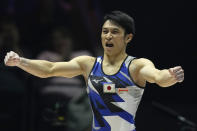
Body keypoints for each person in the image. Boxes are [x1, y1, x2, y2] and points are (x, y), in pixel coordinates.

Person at [4, 11, 184, 131]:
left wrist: (171, 76)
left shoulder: (137, 66)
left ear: (128, 37)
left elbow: (158, 77)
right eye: (105, 31)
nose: (108, 36)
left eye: (114, 32)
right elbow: (50, 69)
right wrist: (21, 61)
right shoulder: (88, 64)